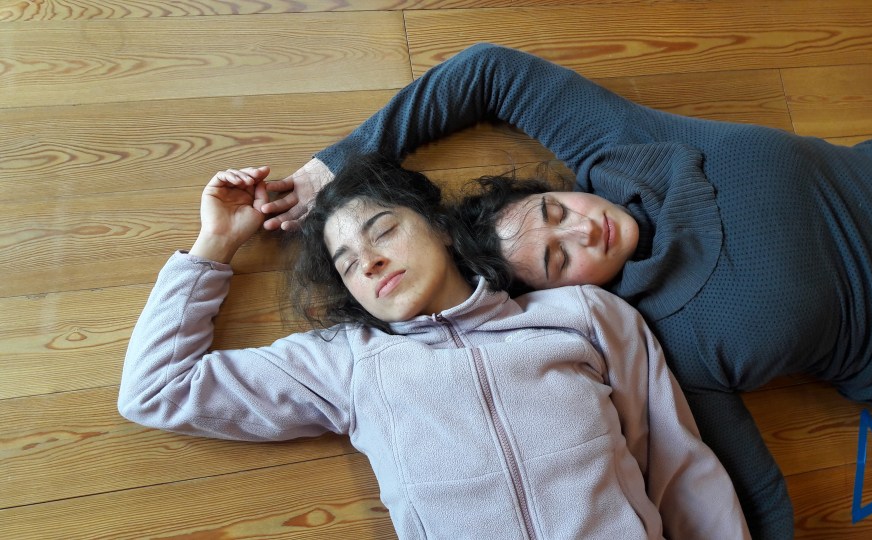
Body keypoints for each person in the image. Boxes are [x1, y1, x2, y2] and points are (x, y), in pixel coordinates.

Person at [256, 43, 872, 539]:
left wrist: (331, 170)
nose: (583, 231)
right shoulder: (659, 342)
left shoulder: (624, 150)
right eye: (559, 259)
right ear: (563, 294)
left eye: (555, 212)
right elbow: (743, 493)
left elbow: (488, 72)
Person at [118, 155, 750, 539]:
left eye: (383, 230)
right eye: (347, 264)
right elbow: (156, 389)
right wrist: (216, 243)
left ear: (442, 230)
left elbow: (676, 464)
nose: (369, 261)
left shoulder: (582, 315)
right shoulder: (345, 363)